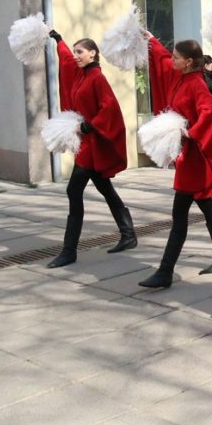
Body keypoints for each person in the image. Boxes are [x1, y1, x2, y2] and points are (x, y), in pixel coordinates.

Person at [138, 33, 212, 288]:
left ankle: (165, 271)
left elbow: (210, 112)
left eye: (176, 57)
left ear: (189, 62)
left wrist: (192, 131)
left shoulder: (196, 83)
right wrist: (153, 40)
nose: (172, 60)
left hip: (195, 159)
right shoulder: (183, 78)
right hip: (190, 158)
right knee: (206, 205)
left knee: (179, 214)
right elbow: (160, 60)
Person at [45, 31, 136, 268]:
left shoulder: (96, 77)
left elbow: (109, 108)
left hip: (92, 145)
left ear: (93, 53)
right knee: (105, 188)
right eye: (75, 52)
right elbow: (65, 62)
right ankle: (128, 234)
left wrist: (88, 125)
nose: (75, 56)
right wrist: (59, 41)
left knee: (73, 191)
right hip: (88, 146)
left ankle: (69, 251)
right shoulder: (81, 75)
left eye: (80, 52)